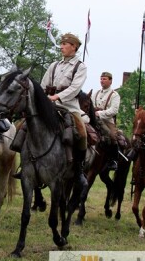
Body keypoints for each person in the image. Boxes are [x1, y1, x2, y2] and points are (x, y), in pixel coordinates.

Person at [40, 33, 88, 187]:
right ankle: (27, 164)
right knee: (25, 125)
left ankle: (79, 171)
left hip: (69, 107)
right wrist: (42, 99)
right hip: (49, 105)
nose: (61, 46)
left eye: (64, 44)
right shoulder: (54, 65)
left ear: (73, 47)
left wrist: (57, 97)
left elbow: (75, 89)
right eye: (61, 44)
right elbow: (42, 85)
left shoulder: (80, 66)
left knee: (82, 133)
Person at [92, 71, 121, 170]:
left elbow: (114, 110)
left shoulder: (114, 95)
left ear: (110, 81)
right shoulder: (95, 93)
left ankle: (113, 160)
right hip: (93, 119)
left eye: (104, 79)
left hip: (107, 121)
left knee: (112, 136)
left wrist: (99, 113)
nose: (102, 81)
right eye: (101, 78)